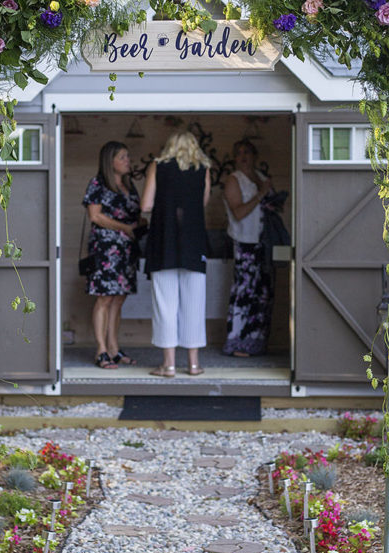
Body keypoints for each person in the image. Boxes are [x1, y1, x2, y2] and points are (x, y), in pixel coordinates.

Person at [141, 131, 212, 377]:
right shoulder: (203, 169)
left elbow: (146, 205)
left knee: (165, 304)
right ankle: (193, 364)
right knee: (194, 304)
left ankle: (168, 365)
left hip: (164, 242)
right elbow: (203, 202)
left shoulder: (158, 166)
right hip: (194, 242)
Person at [82, 141, 144, 369]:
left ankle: (114, 349)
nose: (128, 161)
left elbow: (135, 214)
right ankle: (101, 350)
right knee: (104, 298)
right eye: (123, 157)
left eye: (128, 157)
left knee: (119, 299)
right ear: (111, 161)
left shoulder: (129, 186)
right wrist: (125, 228)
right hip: (106, 249)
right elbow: (95, 216)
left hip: (127, 250)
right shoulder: (98, 183)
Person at [223, 139, 275, 357]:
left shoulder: (263, 178)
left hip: (265, 242)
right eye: (239, 152)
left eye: (247, 152)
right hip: (244, 241)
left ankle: (256, 342)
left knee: (263, 292)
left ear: (255, 155)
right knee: (244, 290)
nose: (243, 156)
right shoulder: (235, 180)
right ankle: (237, 342)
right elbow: (239, 212)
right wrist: (261, 194)